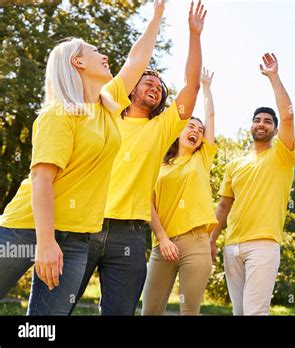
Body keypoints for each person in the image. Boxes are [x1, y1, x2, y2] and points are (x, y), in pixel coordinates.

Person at [0, 0, 168, 316]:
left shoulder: (108, 104)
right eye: (94, 51)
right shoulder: (60, 113)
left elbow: (136, 60)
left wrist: (157, 13)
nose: (104, 56)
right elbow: (42, 178)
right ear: (76, 62)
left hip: (77, 238)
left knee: (45, 325)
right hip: (26, 228)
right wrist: (46, 243)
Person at [71, 0, 207, 315]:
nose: (155, 87)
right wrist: (158, 15)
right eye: (148, 82)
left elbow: (192, 85)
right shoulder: (107, 111)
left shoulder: (162, 127)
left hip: (129, 236)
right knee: (55, 307)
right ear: (132, 90)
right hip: (84, 224)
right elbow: (135, 60)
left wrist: (194, 34)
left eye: (160, 87)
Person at [210, 53, 295, 316]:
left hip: (263, 244)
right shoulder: (235, 164)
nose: (262, 123)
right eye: (257, 120)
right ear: (251, 125)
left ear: (275, 129)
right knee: (239, 312)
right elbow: (224, 205)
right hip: (231, 245)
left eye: (268, 121)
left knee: (255, 311)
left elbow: (289, 116)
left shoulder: (282, 155)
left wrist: (273, 77)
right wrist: (212, 240)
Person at [141, 68, 217, 316]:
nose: (195, 130)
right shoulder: (158, 163)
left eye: (199, 129)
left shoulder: (202, 158)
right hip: (162, 244)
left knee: (189, 312)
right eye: (190, 126)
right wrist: (162, 238)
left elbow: (211, 116)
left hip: (196, 243)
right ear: (179, 130)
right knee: (149, 311)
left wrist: (205, 87)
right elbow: (147, 203)